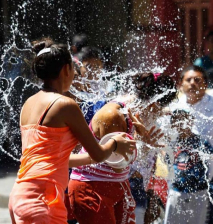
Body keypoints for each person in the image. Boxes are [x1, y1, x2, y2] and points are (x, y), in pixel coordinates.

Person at [8, 38, 135, 224]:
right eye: (73, 69)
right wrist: (115, 144)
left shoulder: (29, 103)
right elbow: (99, 154)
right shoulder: (65, 105)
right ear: (66, 69)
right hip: (43, 201)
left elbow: (54, 160)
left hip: (20, 196)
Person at [68, 72, 178, 224]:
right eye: (160, 109)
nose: (160, 115)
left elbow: (132, 164)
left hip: (118, 185)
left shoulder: (134, 116)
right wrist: (141, 142)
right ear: (152, 103)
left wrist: (144, 143)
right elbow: (119, 165)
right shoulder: (113, 116)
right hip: (93, 188)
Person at [172, 65, 213, 224]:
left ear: (205, 84)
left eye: (197, 79)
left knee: (210, 219)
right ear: (181, 84)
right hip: (182, 175)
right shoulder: (176, 107)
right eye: (188, 80)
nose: (193, 83)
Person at [164, 109, 213, 224]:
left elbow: (212, 166)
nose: (182, 123)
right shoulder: (172, 144)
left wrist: (204, 182)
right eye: (177, 120)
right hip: (176, 191)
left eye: (184, 119)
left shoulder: (202, 142)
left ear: (191, 121)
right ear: (173, 124)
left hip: (198, 192)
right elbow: (168, 166)